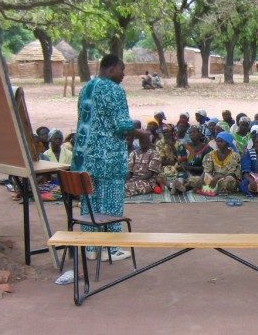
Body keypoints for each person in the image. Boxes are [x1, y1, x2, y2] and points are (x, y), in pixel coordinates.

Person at [72, 54, 147, 262]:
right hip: (109, 156)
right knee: (112, 201)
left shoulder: (87, 88)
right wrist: (142, 134)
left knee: (90, 200)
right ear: (111, 69)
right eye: (122, 70)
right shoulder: (114, 90)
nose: (123, 74)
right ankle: (111, 248)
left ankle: (90, 247)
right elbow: (122, 125)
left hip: (87, 156)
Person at [172, 125, 211, 194]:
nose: (191, 134)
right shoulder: (183, 146)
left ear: (200, 133)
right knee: (181, 175)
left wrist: (189, 168)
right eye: (190, 133)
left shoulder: (207, 148)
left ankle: (179, 188)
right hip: (186, 172)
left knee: (197, 180)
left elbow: (206, 168)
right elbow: (181, 162)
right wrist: (182, 167)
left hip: (200, 174)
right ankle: (180, 185)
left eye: (194, 132)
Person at [155, 124, 179, 190]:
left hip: (176, 167)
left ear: (172, 132)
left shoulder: (178, 143)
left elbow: (181, 159)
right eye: (164, 132)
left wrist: (172, 147)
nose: (165, 134)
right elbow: (160, 161)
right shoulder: (159, 143)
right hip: (163, 167)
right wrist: (174, 161)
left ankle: (173, 186)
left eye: (167, 132)